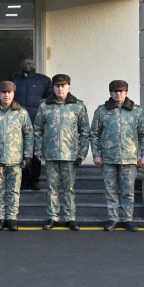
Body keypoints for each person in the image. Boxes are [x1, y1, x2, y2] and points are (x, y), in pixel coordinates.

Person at [90, 80, 144, 232]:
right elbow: (94, 134)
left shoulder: (136, 111)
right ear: (110, 93)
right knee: (110, 190)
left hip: (129, 158)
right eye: (115, 91)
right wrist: (96, 155)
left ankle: (127, 219)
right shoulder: (102, 111)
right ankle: (113, 218)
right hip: (108, 158)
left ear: (126, 92)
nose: (118, 93)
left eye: (121, 91)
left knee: (127, 191)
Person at [34, 74, 90, 231]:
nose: (60, 88)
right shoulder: (44, 106)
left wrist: (82, 152)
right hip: (50, 154)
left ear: (69, 87)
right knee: (52, 188)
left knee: (69, 188)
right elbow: (37, 129)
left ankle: (70, 218)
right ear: (53, 87)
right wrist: (38, 149)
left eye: (63, 86)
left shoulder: (78, 106)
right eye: (57, 86)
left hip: (70, 154)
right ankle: (53, 217)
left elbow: (85, 131)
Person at [0, 81, 33, 231]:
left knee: (13, 190)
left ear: (13, 94)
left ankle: (12, 218)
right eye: (3, 92)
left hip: (15, 160)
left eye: (9, 92)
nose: (6, 95)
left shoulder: (21, 113)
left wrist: (27, 156)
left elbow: (29, 135)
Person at [12, 57, 51, 190]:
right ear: (21, 64)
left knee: (35, 152)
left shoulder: (44, 80)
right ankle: (23, 179)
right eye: (25, 63)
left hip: (36, 121)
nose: (27, 65)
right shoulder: (15, 80)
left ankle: (34, 179)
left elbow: (49, 100)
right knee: (21, 151)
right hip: (18, 122)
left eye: (29, 63)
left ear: (33, 65)